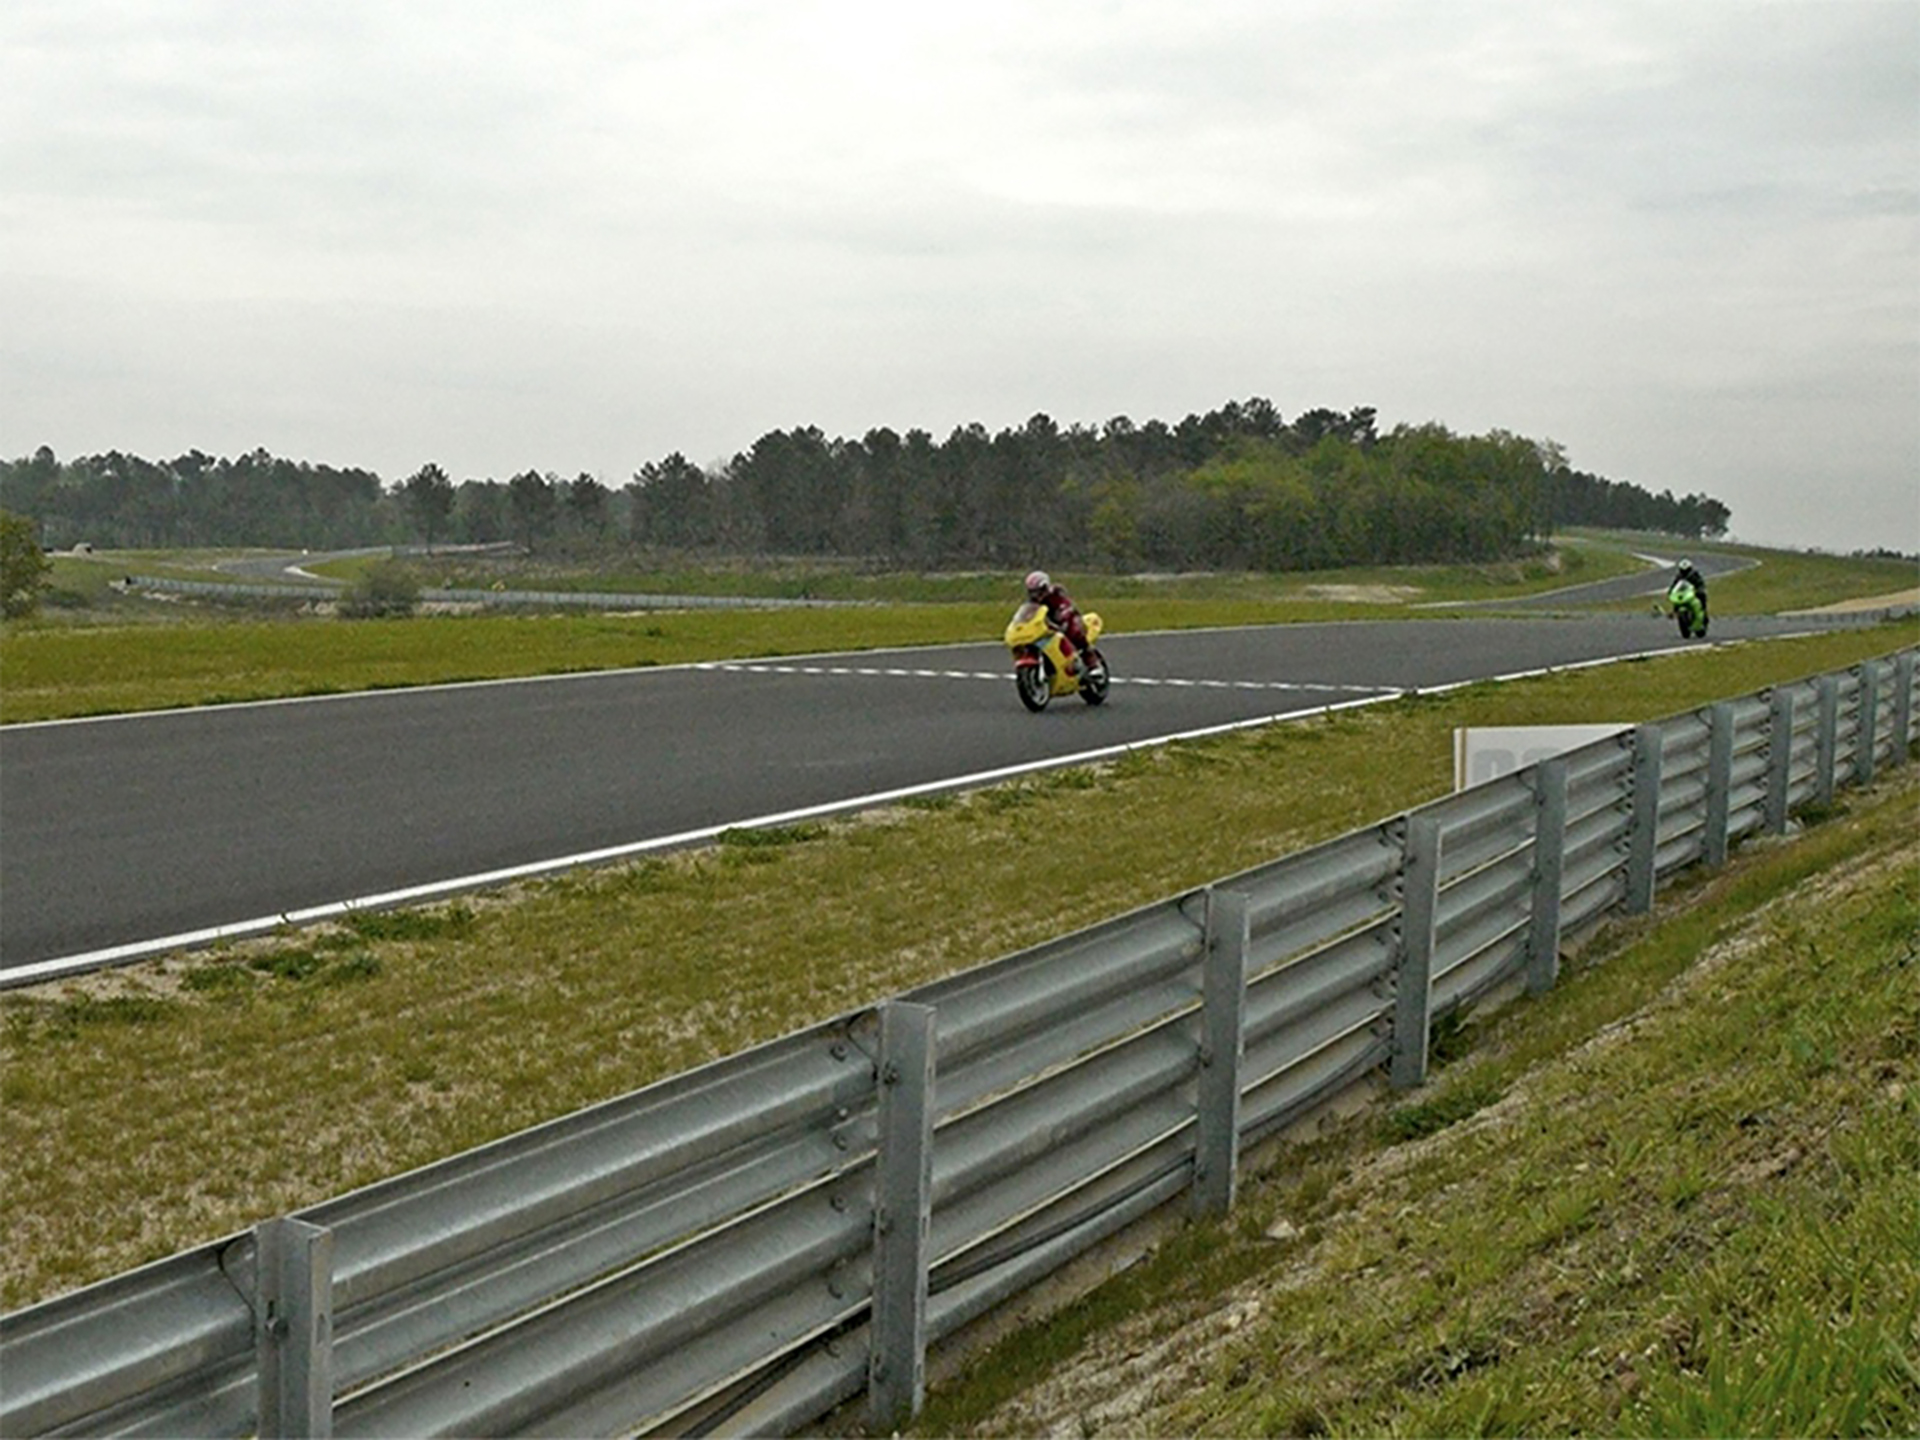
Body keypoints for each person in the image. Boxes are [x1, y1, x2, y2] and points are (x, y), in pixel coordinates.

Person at [1024, 570, 1099, 676]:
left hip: (1068, 618)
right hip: (1049, 624)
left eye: (1038, 591)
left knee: (1074, 632)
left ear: (1045, 587)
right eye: (1032, 592)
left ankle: (1092, 663)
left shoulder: (1056, 594)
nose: (1036, 595)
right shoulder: (1033, 602)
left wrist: (1062, 615)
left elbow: (1066, 605)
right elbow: (1028, 614)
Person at [1674, 557, 1709, 626]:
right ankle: (1676, 612)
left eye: (1686, 570)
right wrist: (1672, 591)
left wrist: (1699, 589)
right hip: (1684, 593)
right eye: (1683, 570)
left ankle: (1704, 614)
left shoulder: (1694, 575)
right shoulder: (1679, 576)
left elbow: (1700, 582)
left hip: (1694, 592)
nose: (1684, 572)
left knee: (1702, 596)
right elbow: (1675, 585)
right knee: (1676, 600)